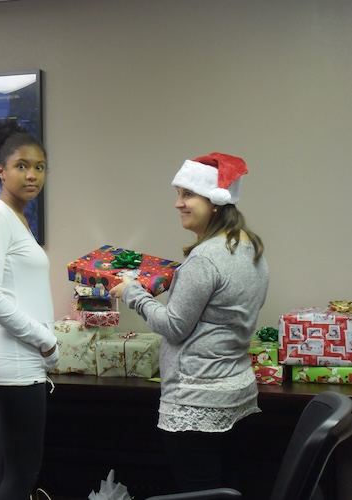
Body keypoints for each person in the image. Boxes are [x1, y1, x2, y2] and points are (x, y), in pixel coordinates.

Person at [109, 152, 269, 494]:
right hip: (237, 394)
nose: (178, 204)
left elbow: (174, 326)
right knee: (226, 492)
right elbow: (222, 314)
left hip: (197, 402)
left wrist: (132, 292)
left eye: (187, 195)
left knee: (200, 494)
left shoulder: (205, 258)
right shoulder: (250, 248)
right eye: (179, 194)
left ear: (215, 202)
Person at [0, 118, 60, 500]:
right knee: (23, 474)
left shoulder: (15, 217)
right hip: (15, 354)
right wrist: (45, 340)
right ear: (1, 170)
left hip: (17, 353)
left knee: (9, 470)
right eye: (22, 166)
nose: (32, 175)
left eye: (39, 167)